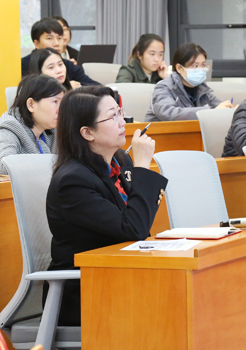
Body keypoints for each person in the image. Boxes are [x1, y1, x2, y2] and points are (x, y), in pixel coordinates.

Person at [47, 86, 168, 326]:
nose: (122, 122)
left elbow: (138, 226)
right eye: (112, 117)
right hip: (88, 291)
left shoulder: (120, 160)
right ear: (87, 132)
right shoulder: (73, 181)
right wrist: (142, 167)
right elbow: (134, 228)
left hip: (122, 276)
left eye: (120, 112)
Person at [0, 75, 65, 175]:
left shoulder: (52, 128)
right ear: (31, 104)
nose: (61, 109)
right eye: (55, 102)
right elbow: (6, 168)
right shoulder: (8, 128)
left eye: (62, 102)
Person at [144, 43, 233, 122]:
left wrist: (231, 110)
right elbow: (170, 114)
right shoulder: (163, 87)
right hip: (161, 134)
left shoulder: (202, 88)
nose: (200, 69)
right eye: (195, 65)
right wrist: (210, 112)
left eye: (203, 65)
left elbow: (219, 107)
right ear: (179, 68)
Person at [21, 18, 99, 87]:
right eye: (49, 38)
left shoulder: (68, 65)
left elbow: (96, 86)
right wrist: (67, 87)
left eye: (59, 38)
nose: (56, 43)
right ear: (37, 43)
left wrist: (79, 86)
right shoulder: (23, 65)